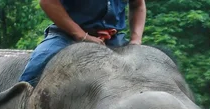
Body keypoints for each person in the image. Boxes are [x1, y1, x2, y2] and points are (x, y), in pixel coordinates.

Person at [19, 0, 147, 86]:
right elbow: (47, 2)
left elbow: (138, 5)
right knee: (35, 69)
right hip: (66, 36)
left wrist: (136, 40)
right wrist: (81, 35)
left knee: (145, 74)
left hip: (112, 38)